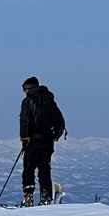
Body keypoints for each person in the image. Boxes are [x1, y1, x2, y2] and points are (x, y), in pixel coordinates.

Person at [19, 76, 66, 206]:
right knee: (44, 169)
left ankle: (28, 197)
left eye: (25, 88)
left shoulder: (27, 101)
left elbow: (24, 120)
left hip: (33, 139)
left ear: (29, 88)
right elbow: (59, 119)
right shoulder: (49, 100)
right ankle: (46, 197)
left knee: (29, 167)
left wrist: (24, 137)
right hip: (48, 140)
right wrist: (55, 135)